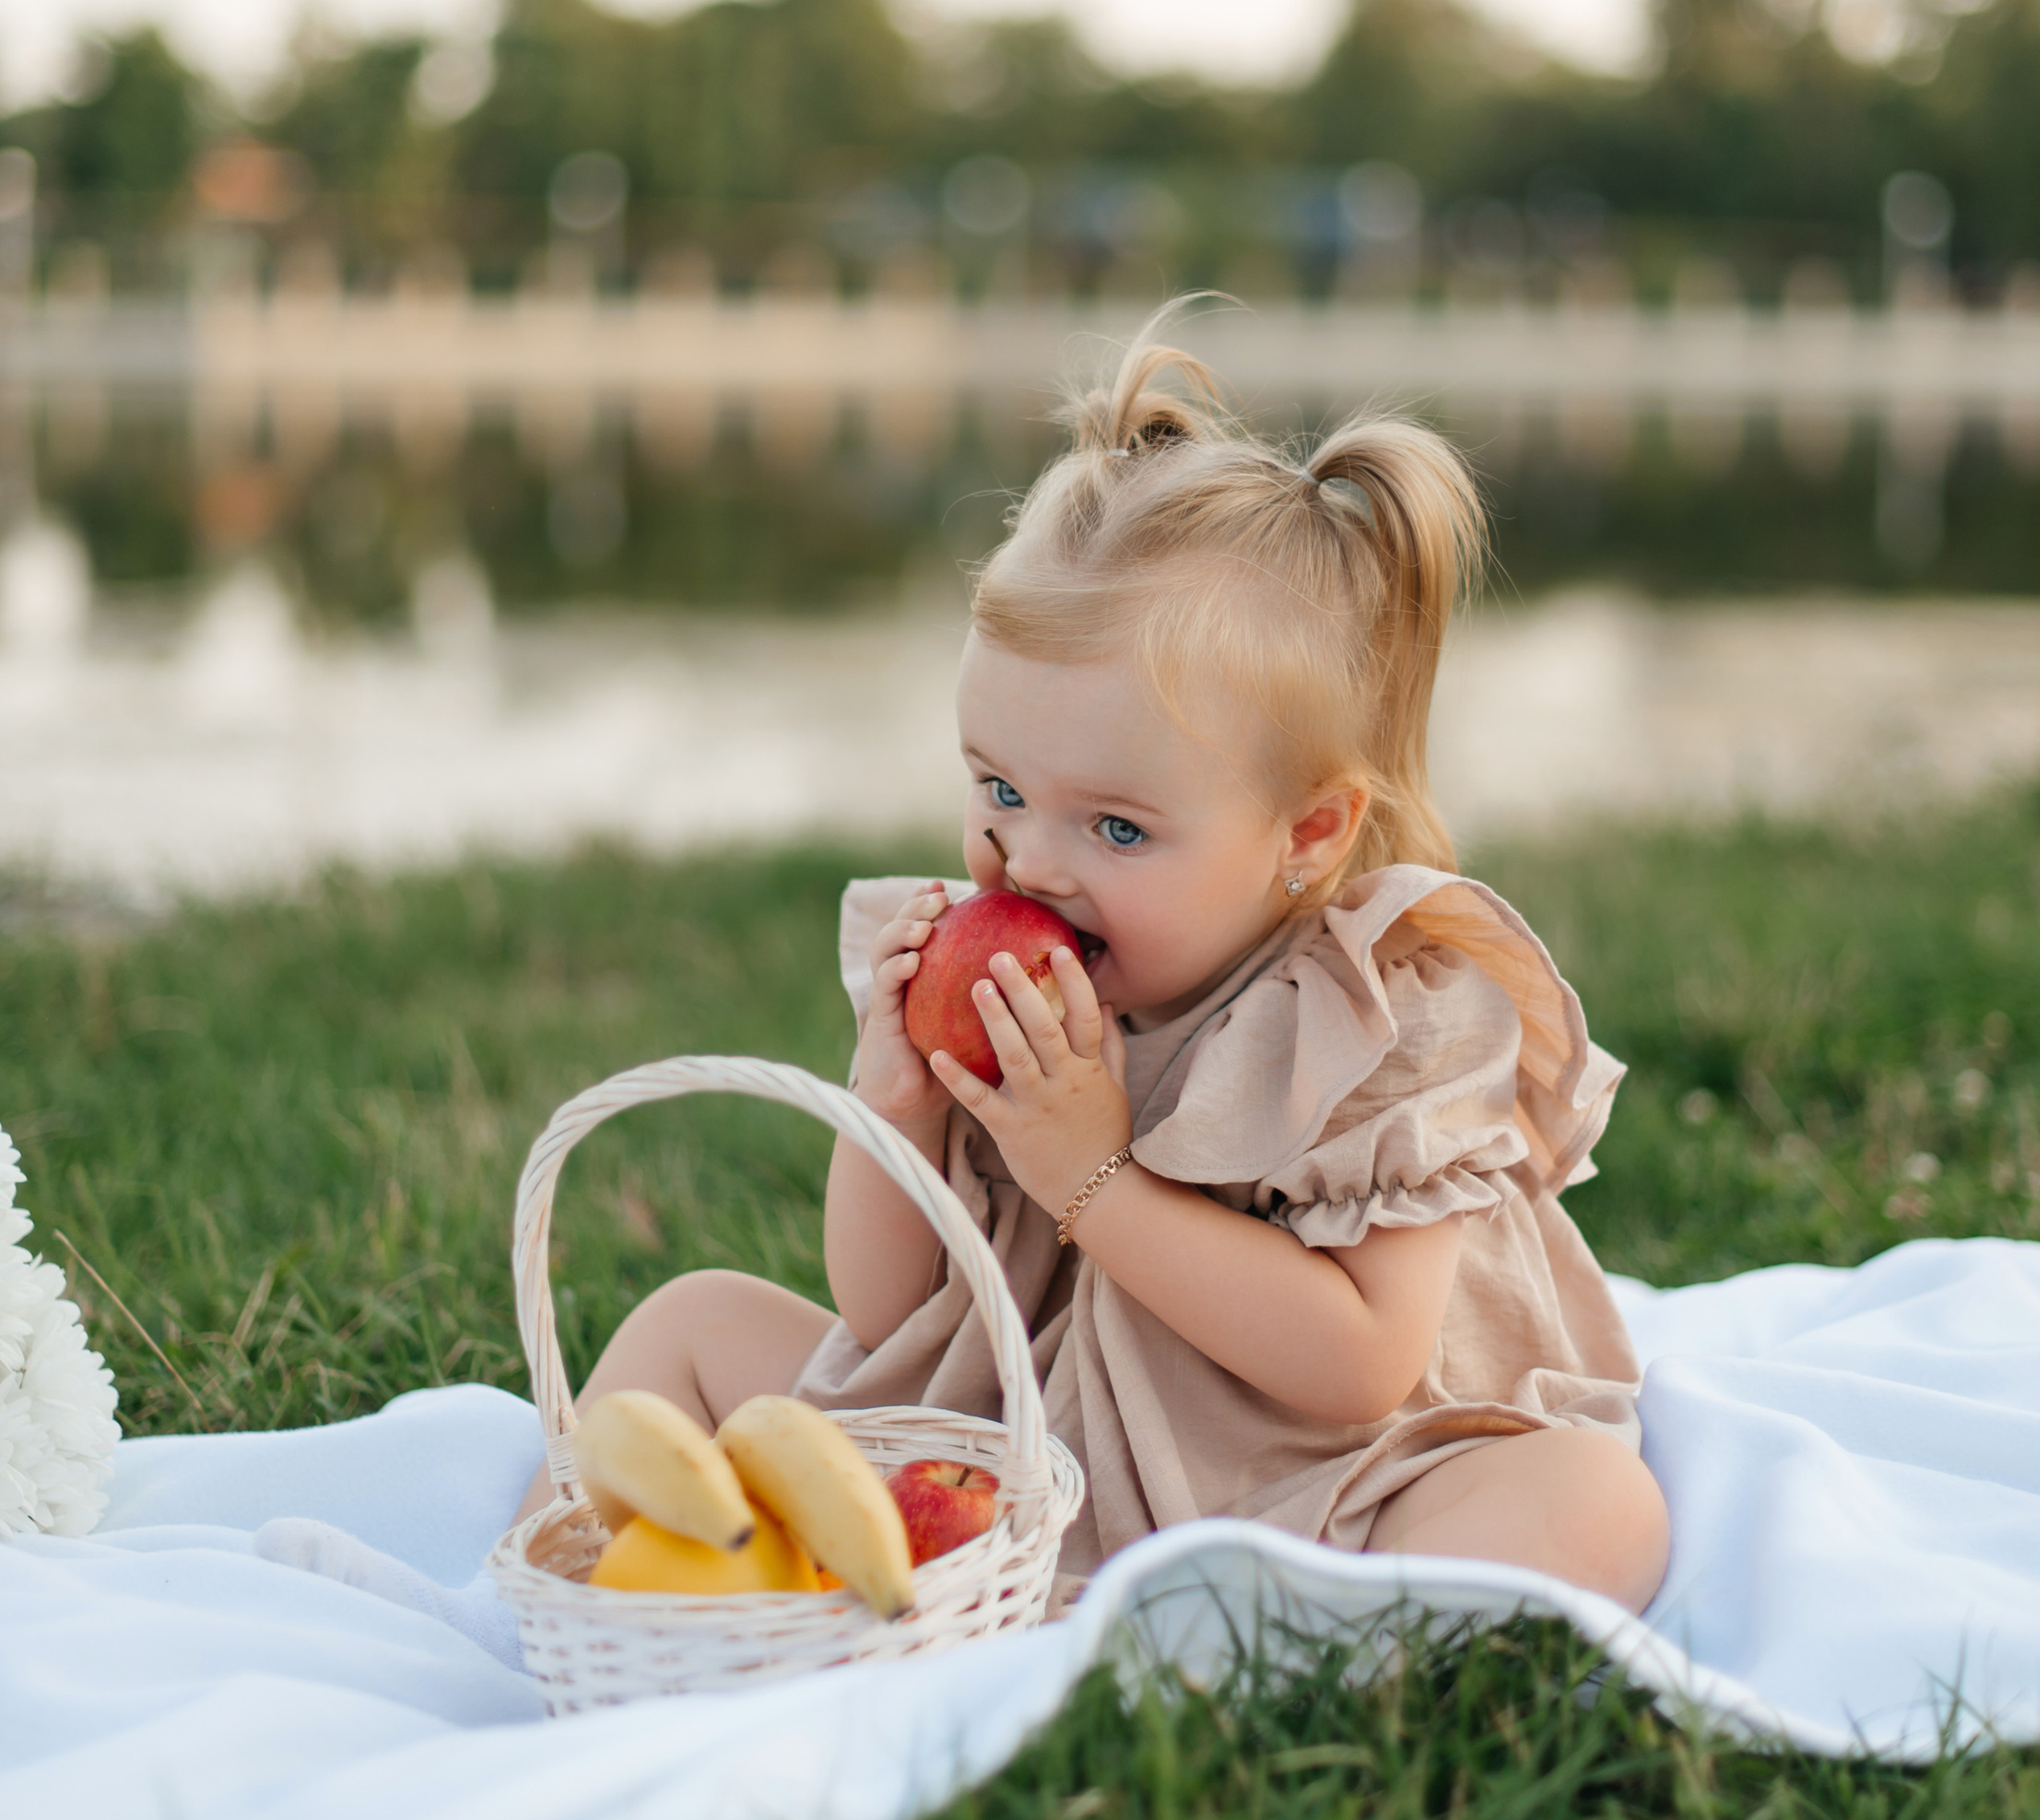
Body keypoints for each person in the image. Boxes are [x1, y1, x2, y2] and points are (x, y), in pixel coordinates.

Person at [524, 331, 1669, 1612]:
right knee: (688, 1323)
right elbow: (884, 1301)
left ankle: (1272, 1646)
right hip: (1032, 1427)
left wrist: (1094, 1181)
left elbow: (1359, 1360)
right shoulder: (1012, 981)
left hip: (1312, 1479)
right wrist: (894, 1108)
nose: (1032, 860)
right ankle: (594, 1598)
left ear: (1307, 835)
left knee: (1590, 1505)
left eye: (1117, 827)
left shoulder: (1381, 1014)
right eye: (1000, 788)